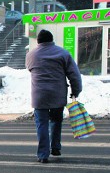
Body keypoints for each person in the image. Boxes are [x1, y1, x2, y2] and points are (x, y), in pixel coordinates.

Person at [25, 29, 82, 163]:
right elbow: (74, 75)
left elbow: (29, 68)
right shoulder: (63, 53)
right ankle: (55, 147)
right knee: (56, 120)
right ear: (52, 40)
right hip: (58, 95)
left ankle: (43, 154)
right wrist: (75, 91)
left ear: (38, 41)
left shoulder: (31, 55)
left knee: (42, 124)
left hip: (39, 96)